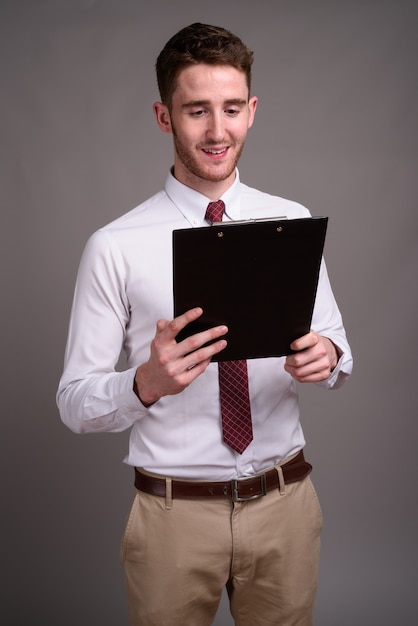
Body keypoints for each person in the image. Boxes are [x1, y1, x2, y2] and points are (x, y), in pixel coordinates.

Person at [57, 22, 353, 626]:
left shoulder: (290, 222)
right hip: (173, 519)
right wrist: (145, 384)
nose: (218, 131)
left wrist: (328, 356)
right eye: (196, 111)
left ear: (252, 110)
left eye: (231, 108)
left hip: (285, 508)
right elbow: (73, 402)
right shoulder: (114, 245)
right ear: (165, 117)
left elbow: (339, 351)